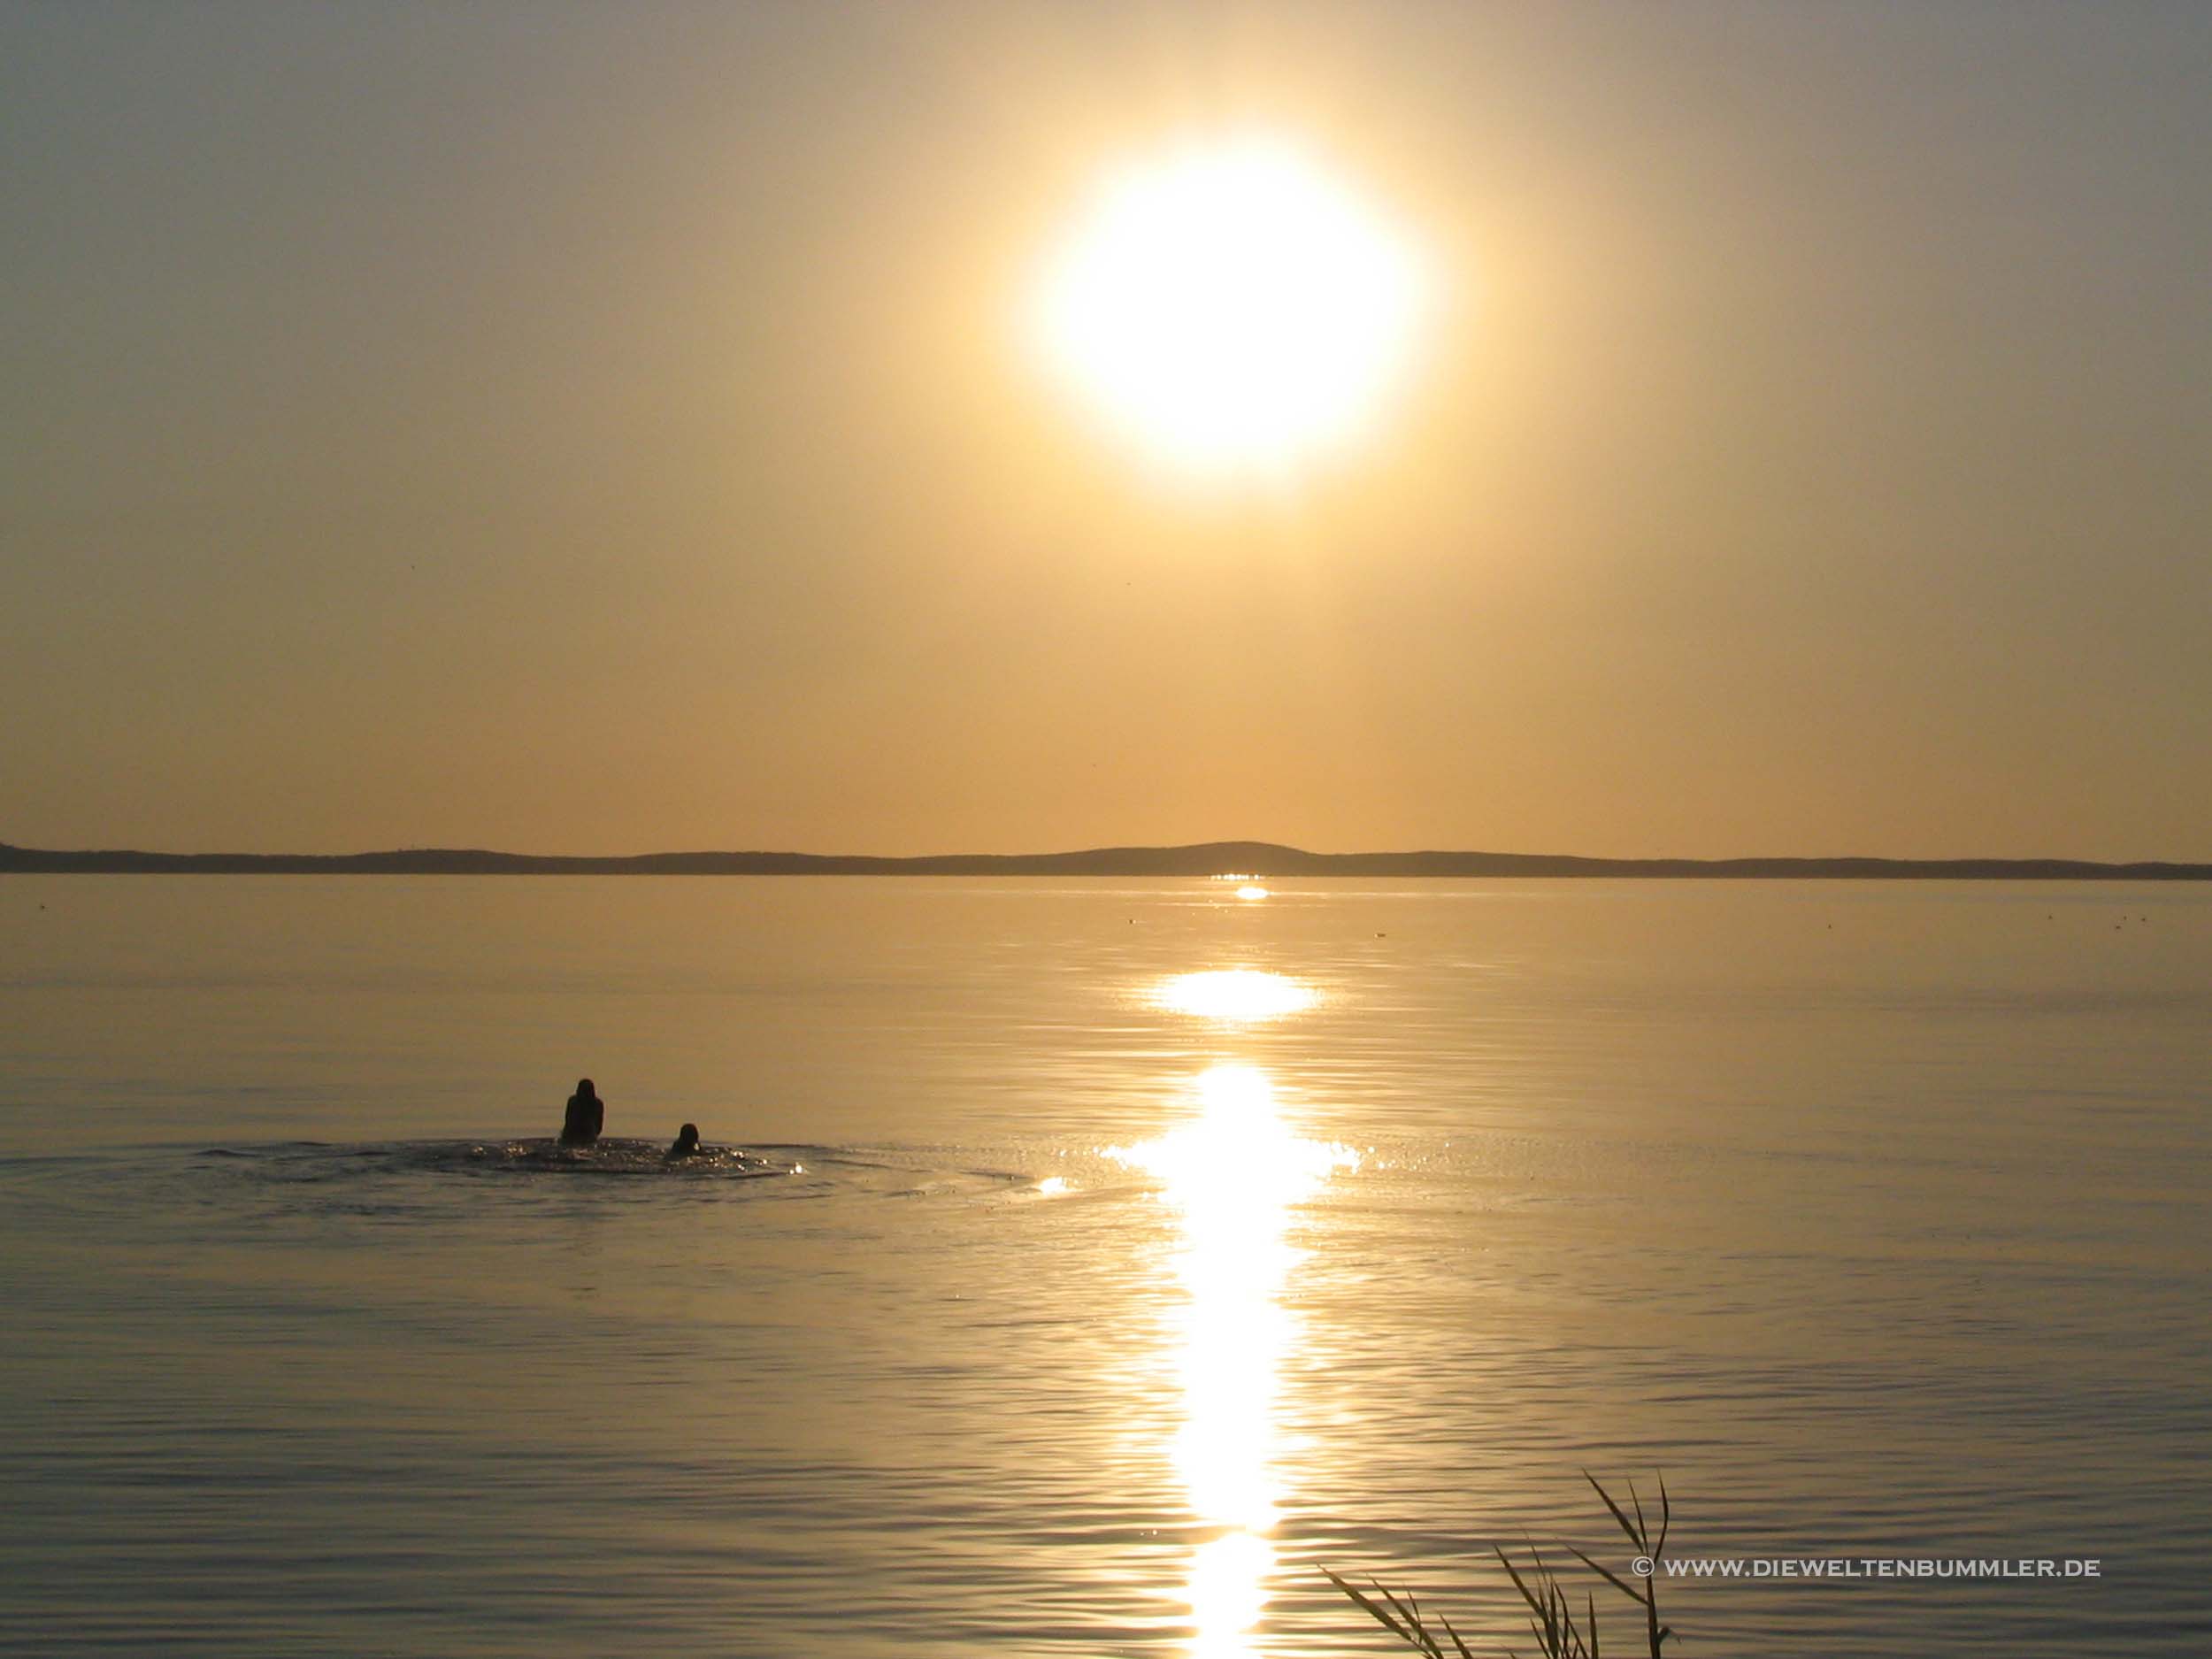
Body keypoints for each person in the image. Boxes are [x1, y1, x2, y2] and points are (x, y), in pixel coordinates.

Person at [559, 1078, 603, 1147]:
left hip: (574, 1134)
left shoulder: (572, 1101)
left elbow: (567, 1120)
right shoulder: (598, 1104)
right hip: (587, 1134)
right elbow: (599, 1126)